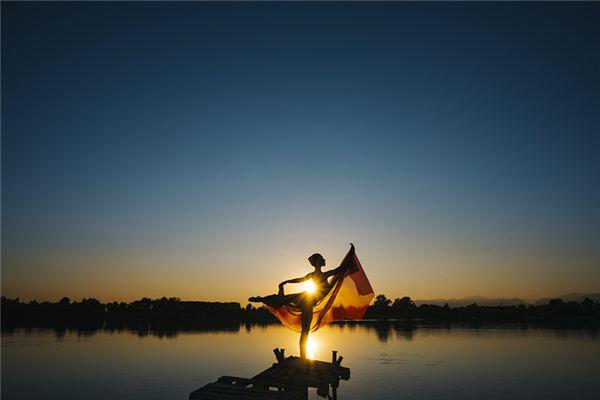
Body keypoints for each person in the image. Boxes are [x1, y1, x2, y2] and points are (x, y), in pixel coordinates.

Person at [249, 244, 354, 359]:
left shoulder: (315, 275)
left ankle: (260, 299)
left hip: (306, 300)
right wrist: (351, 254)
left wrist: (287, 281)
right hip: (307, 300)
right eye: (322, 259)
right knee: (304, 330)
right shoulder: (324, 274)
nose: (324, 260)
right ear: (318, 262)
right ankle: (303, 357)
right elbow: (339, 270)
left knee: (299, 323)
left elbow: (301, 279)